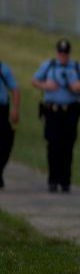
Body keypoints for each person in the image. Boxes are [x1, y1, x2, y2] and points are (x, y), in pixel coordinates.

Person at [31, 38, 80, 193]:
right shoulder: (49, 65)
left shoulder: (77, 67)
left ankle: (65, 181)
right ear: (57, 52)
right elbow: (35, 81)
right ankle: (53, 180)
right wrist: (45, 85)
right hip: (52, 111)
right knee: (53, 145)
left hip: (70, 112)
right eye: (60, 53)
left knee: (67, 146)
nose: (63, 56)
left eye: (65, 53)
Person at [0, 60, 20, 189]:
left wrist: (15, 109)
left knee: (5, 143)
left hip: (2, 110)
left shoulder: (4, 69)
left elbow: (15, 89)